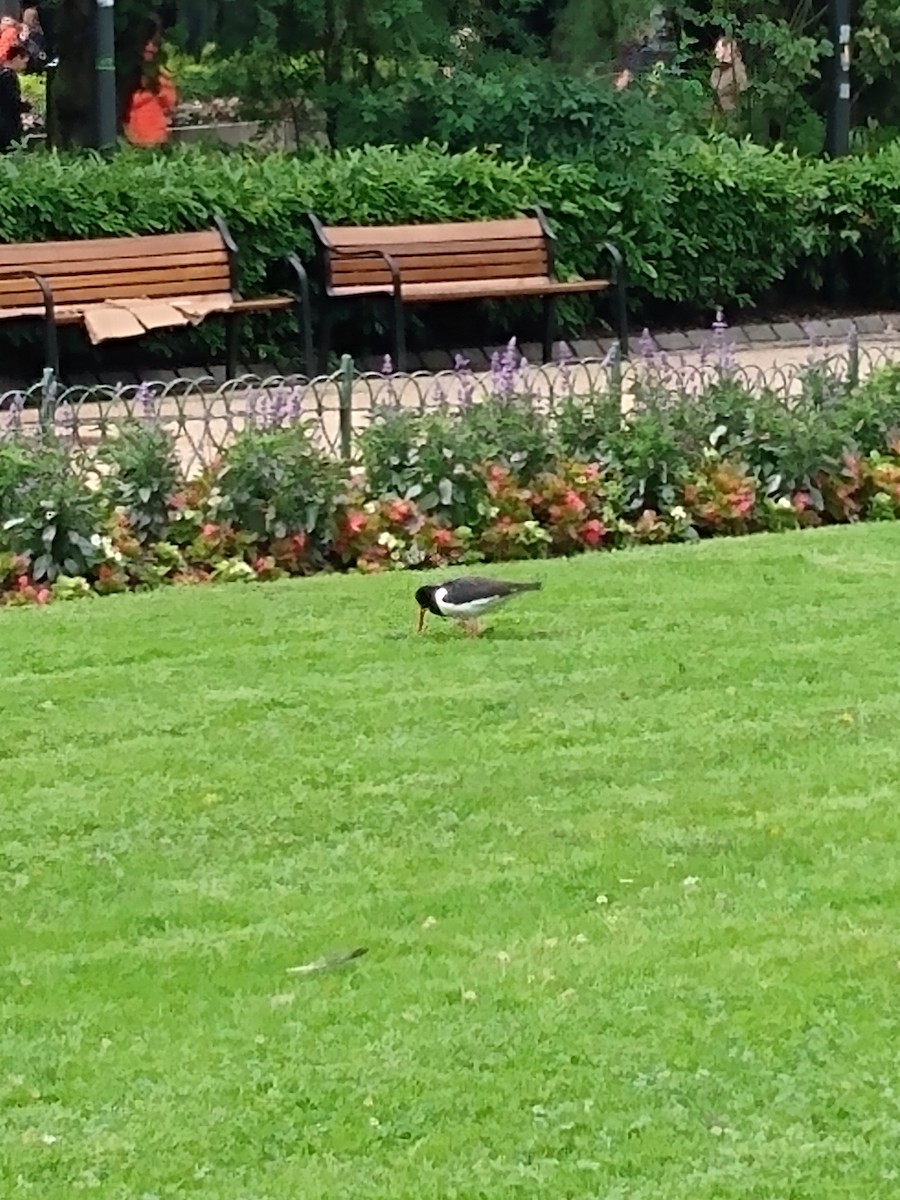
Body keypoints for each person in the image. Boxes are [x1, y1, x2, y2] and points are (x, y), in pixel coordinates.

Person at [122, 27, 177, 147]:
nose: (150, 48)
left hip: (156, 137)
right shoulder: (127, 75)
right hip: (133, 138)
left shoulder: (162, 76)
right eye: (147, 43)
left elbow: (170, 102)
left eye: (155, 44)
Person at [0, 41, 30, 152]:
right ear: (17, 58)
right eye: (24, 62)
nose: (25, 66)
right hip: (7, 124)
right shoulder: (9, 77)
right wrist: (26, 106)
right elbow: (12, 102)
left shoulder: (2, 73)